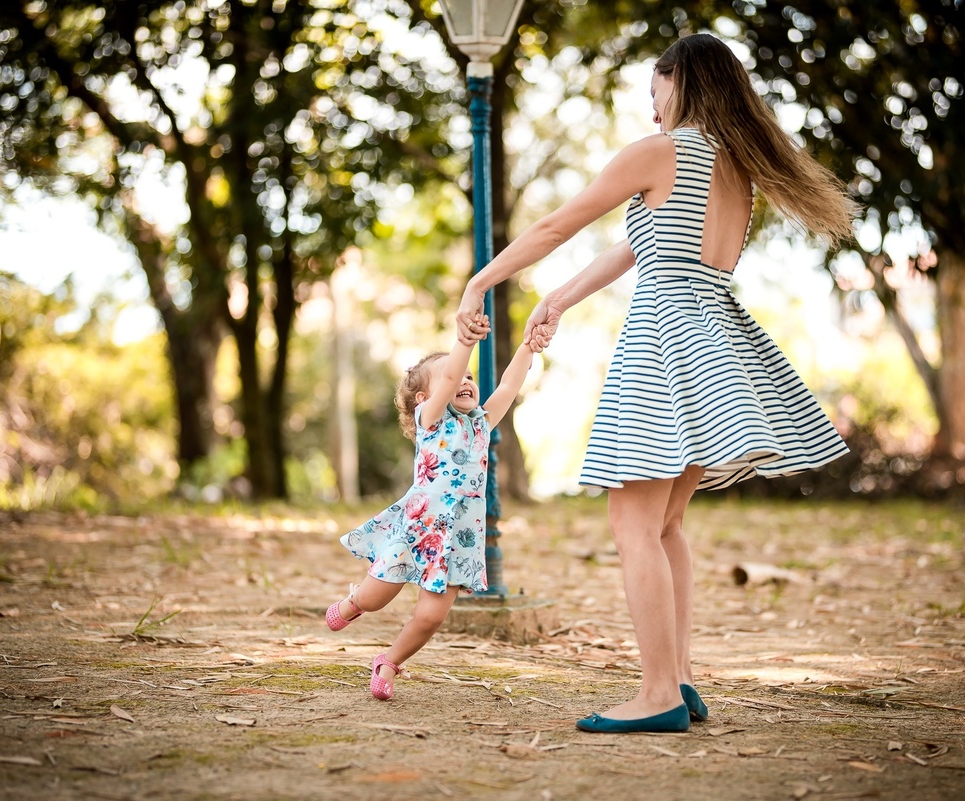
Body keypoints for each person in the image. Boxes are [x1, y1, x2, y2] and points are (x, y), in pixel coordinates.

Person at [455, 33, 857, 733]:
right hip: (715, 341)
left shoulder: (663, 153)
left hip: (665, 341)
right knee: (665, 521)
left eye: (656, 92)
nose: (651, 111)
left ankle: (657, 693)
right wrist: (560, 299)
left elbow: (557, 224)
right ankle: (678, 678)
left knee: (632, 521)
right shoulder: (735, 169)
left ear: (683, 81)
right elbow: (637, 245)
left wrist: (481, 281)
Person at [325, 327, 537, 701]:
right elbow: (452, 376)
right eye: (455, 375)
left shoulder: (480, 424)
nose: (465, 379)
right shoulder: (431, 419)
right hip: (417, 529)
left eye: (471, 377)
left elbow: (506, 386)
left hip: (458, 539)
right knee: (375, 599)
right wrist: (465, 341)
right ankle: (354, 602)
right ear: (425, 396)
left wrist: (527, 347)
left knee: (431, 617)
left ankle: (388, 662)